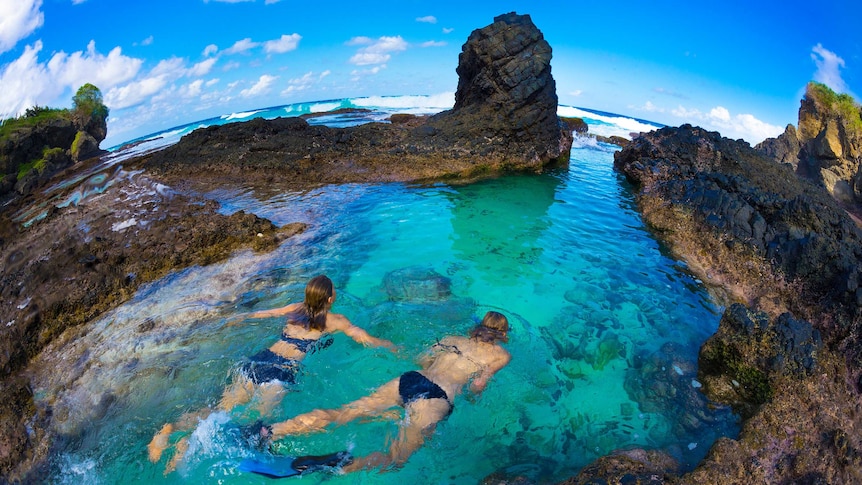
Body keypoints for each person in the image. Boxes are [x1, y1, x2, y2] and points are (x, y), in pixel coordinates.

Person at [147, 274, 397, 472]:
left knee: (219, 413)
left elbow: (262, 314)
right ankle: (230, 457)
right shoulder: (336, 320)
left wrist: (236, 319)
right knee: (256, 429)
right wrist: (394, 347)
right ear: (330, 299)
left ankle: (177, 428)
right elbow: (364, 338)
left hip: (257, 362)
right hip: (280, 373)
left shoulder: (295, 308)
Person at [261, 311, 511, 473]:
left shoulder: (452, 337)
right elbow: (478, 385)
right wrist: (473, 399)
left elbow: (424, 359)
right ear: (502, 335)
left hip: (412, 380)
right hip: (438, 398)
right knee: (395, 460)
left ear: (478, 326)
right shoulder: (501, 355)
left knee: (344, 412)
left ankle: (270, 431)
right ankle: (342, 465)